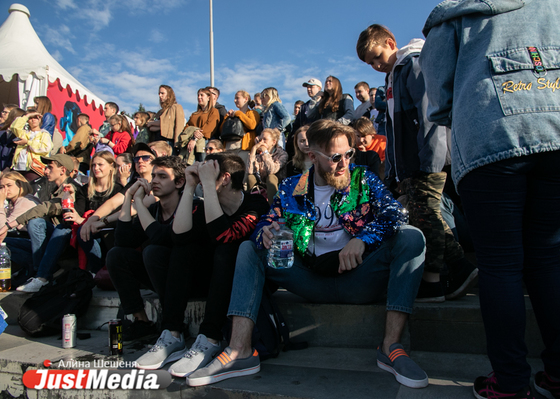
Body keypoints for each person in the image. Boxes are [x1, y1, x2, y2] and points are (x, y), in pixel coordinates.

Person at [419, 0, 560, 397]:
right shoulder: (556, 6)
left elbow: (439, 87)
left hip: (493, 134)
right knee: (546, 257)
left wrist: (458, 112)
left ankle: (512, 383)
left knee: (500, 265)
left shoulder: (458, 11)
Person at [187, 119, 427, 389]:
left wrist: (363, 239)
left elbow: (396, 213)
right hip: (310, 279)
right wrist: (265, 231)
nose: (345, 163)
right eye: (336, 157)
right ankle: (239, 350)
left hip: (360, 279)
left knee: (411, 236)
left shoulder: (363, 178)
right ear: (312, 156)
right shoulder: (291, 187)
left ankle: (391, 346)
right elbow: (266, 221)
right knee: (248, 248)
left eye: (349, 154)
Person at [357, 25, 476, 303]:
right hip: (409, 165)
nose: (376, 65)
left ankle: (432, 282)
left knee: (427, 217)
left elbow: (428, 116)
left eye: (377, 56)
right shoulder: (392, 76)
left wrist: (430, 161)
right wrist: (397, 171)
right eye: (370, 63)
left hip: (426, 160)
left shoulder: (412, 64)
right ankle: (460, 268)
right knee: (425, 214)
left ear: (390, 42)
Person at [135, 153, 269, 375]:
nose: (200, 174)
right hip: (209, 280)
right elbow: (178, 237)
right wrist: (188, 187)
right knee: (180, 248)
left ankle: (210, 338)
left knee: (226, 250)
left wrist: (207, 184)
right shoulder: (202, 204)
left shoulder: (256, 203)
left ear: (225, 178)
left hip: (241, 285)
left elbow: (224, 236)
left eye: (207, 171)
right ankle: (172, 333)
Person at [106, 156, 187, 346]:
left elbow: (161, 237)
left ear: (180, 182)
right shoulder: (154, 210)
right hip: (160, 276)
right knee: (116, 255)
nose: (155, 181)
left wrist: (140, 205)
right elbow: (123, 241)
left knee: (153, 251)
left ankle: (173, 325)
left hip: (189, 280)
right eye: (153, 176)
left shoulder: (190, 206)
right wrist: (129, 198)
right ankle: (141, 320)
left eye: (162, 176)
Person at [2, 154, 81, 292]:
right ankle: (37, 271)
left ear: (62, 170)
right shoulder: (53, 189)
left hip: (69, 241)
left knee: (36, 223)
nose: (45, 171)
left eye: (50, 167)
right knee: (6, 243)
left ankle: (40, 275)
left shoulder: (71, 188)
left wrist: (8, 225)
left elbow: (44, 208)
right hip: (52, 240)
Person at [67, 151, 123, 273]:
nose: (96, 168)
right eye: (93, 165)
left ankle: (97, 272)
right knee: (70, 231)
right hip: (89, 229)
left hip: (108, 229)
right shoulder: (85, 189)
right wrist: (71, 198)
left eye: (100, 164)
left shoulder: (118, 190)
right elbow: (78, 213)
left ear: (111, 167)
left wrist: (85, 221)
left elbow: (117, 218)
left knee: (86, 233)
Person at [0, 171, 41, 283]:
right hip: (21, 240)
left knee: (3, 245)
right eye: (2, 187)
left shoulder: (26, 201)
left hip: (32, 243)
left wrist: (0, 202)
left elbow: (3, 228)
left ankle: (30, 269)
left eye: (9, 186)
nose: (5, 190)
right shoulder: (12, 203)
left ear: (20, 185)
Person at [247, 128, 288, 203]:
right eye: (260, 139)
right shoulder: (259, 155)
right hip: (262, 186)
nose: (261, 142)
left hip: (277, 186)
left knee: (271, 177)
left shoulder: (282, 154)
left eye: (265, 139)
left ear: (273, 142)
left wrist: (265, 152)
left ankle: (273, 208)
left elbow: (272, 170)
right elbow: (250, 171)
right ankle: (253, 205)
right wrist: (253, 150)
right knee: (250, 177)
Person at [10, 112, 53, 182]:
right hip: (18, 167)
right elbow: (14, 127)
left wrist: (28, 142)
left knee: (31, 190)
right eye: (30, 118)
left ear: (39, 120)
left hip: (34, 168)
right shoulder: (24, 133)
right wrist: (26, 116)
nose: (33, 120)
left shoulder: (44, 134)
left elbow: (45, 148)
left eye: (35, 118)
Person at [182, 88, 219, 162]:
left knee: (203, 164)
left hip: (205, 143)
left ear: (208, 97)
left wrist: (195, 138)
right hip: (191, 143)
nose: (199, 97)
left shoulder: (214, 111)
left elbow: (209, 128)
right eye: (198, 95)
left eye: (202, 95)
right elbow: (187, 127)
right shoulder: (194, 114)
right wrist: (194, 133)